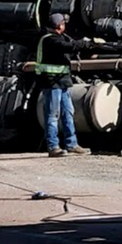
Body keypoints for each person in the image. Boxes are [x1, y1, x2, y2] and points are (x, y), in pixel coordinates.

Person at [36, 14, 89, 158]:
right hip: (52, 82)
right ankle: (53, 147)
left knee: (67, 112)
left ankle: (72, 144)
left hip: (62, 82)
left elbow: (69, 44)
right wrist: (85, 43)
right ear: (59, 25)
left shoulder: (59, 38)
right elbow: (67, 47)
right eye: (63, 24)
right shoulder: (50, 40)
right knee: (53, 115)